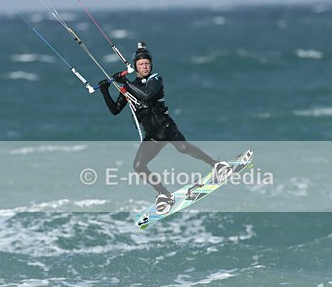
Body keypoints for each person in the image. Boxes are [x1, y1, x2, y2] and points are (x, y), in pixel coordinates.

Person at [98, 43, 232, 214]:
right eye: (141, 64)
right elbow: (115, 110)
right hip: (152, 135)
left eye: (147, 63)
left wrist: (124, 81)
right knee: (139, 166)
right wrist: (105, 92)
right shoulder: (128, 89)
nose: (145, 66)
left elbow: (146, 94)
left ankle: (216, 164)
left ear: (151, 65)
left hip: (165, 127)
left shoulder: (156, 79)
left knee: (184, 148)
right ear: (136, 67)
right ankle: (164, 194)